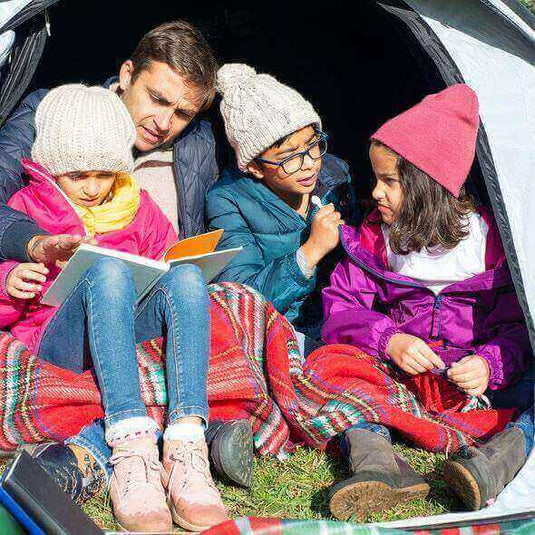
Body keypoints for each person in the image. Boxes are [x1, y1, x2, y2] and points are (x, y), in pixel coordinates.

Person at [0, 20, 252, 497]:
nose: (165, 121)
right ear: (126, 74)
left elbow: (168, 247)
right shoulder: (57, 116)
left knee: (224, 298)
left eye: (183, 112)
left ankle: (189, 440)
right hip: (60, 323)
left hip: (142, 313)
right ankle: (121, 444)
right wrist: (25, 254)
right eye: (158, 99)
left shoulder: (186, 155)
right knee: (109, 275)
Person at [321, 84, 533, 518]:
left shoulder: (491, 249)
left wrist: (491, 364)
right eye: (376, 179)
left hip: (474, 390)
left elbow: (519, 327)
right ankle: (376, 461)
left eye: (389, 181)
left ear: (427, 187)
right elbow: (340, 307)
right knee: (332, 365)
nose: (376, 192)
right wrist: (389, 340)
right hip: (403, 381)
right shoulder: (376, 242)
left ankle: (496, 462)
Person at [206, 64, 357, 348]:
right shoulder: (229, 200)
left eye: (312, 145)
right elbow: (242, 297)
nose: (310, 163)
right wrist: (310, 252)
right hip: (276, 335)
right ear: (254, 167)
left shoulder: (335, 177)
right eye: (289, 157)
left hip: (339, 324)